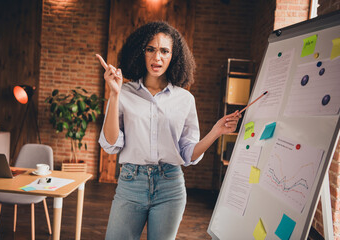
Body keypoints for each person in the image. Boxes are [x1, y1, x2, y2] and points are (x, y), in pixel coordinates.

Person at [97, 21, 241, 240]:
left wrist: (216, 131)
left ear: (174, 56)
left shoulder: (185, 99)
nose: (157, 58)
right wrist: (114, 95)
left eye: (165, 51)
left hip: (170, 186)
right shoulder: (123, 92)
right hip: (131, 183)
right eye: (151, 49)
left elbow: (187, 154)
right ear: (140, 52)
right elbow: (111, 143)